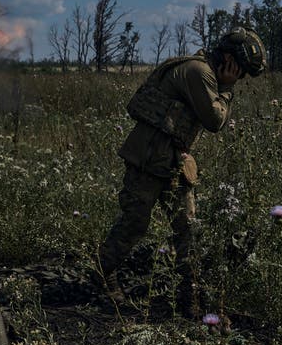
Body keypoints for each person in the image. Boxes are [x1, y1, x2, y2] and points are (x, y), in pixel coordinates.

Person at [98, 27, 266, 314]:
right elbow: (214, 120)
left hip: (174, 161)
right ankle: (103, 276)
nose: (241, 78)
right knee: (134, 224)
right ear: (229, 58)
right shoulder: (198, 72)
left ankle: (190, 296)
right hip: (148, 160)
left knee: (187, 230)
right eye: (242, 71)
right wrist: (225, 90)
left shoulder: (205, 72)